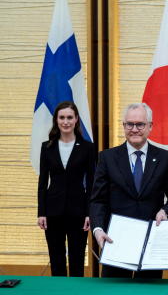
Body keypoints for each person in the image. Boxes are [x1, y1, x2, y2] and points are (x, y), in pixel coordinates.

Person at [90, 102, 168, 278]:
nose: (134, 129)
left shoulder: (165, 158)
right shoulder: (107, 158)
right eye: (129, 124)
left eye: (140, 124)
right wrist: (97, 229)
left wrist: (166, 211)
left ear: (150, 126)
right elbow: (98, 200)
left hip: (151, 243)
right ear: (123, 126)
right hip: (116, 243)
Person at [37, 101, 96, 277]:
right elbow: (42, 182)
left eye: (70, 117)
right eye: (62, 117)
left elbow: (92, 183)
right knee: (56, 260)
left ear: (76, 119)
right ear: (56, 120)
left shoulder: (87, 147)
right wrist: (41, 212)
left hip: (78, 212)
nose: (66, 121)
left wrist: (89, 213)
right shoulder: (47, 147)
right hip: (52, 211)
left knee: (77, 261)